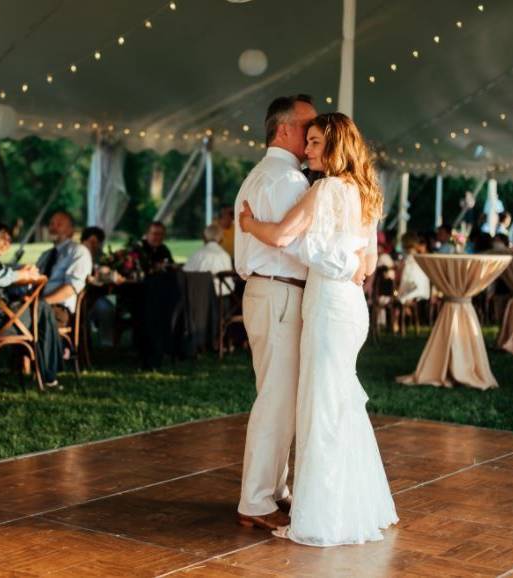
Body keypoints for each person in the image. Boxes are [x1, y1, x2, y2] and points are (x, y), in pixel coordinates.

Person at [239, 112, 398, 547]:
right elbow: (366, 267)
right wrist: (344, 265)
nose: (306, 151)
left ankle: (325, 514)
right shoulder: (367, 194)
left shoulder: (325, 188)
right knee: (340, 401)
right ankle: (351, 503)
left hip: (327, 305)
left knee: (320, 408)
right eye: (305, 141)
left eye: (313, 143)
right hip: (351, 308)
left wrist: (248, 224)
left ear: (333, 147)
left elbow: (281, 237)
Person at [233, 93, 317, 532]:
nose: (315, 134)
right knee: (277, 400)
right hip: (281, 293)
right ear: (283, 130)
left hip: (267, 293)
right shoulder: (289, 181)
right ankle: (257, 500)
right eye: (308, 127)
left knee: (277, 395)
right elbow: (298, 246)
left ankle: (274, 488)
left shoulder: (260, 175)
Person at [0, 223, 62, 387]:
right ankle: (50, 373)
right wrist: (20, 274)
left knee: (40, 310)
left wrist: (22, 274)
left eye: (9, 239)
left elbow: (4, 277)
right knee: (42, 308)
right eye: (2, 236)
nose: (7, 242)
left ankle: (48, 370)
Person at [36, 212, 93, 327]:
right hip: (37, 306)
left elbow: (71, 288)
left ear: (71, 230)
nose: (53, 228)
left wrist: (41, 303)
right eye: (51, 224)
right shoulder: (45, 255)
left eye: (59, 224)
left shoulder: (78, 252)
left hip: (58, 310)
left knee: (13, 323)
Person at [184, 223, 234, 296]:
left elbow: (185, 273)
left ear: (204, 237)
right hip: (224, 296)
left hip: (201, 298)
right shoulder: (225, 255)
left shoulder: (198, 254)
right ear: (221, 239)